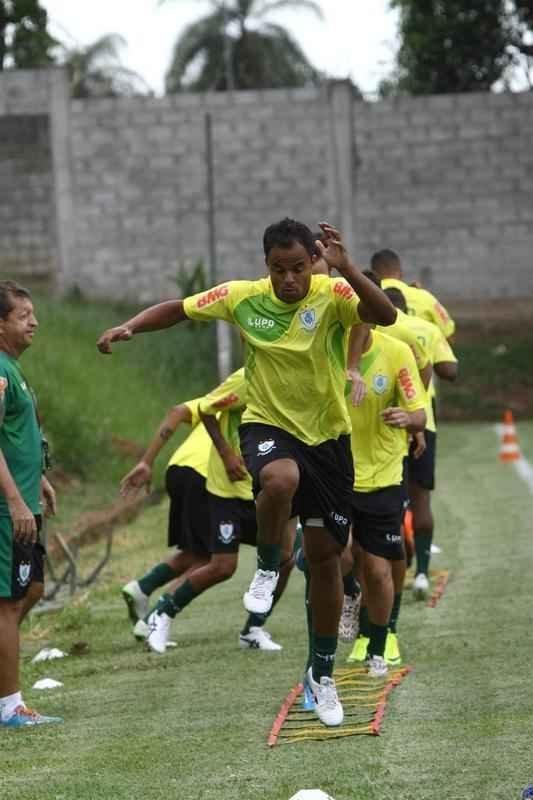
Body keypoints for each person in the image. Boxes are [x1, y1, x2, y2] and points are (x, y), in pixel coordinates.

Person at [97, 219, 396, 727]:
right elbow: (180, 308)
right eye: (279, 269)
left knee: (326, 560)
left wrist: (347, 265)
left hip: (328, 441)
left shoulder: (332, 292)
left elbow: (383, 314)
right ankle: (266, 564)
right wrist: (132, 326)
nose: (289, 280)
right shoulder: (243, 298)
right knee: (278, 480)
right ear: (266, 267)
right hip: (268, 426)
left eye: (298, 268)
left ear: (312, 264)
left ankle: (320, 675)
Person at [140, 368, 295, 654]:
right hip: (229, 488)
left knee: (285, 559)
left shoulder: (307, 376)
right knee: (223, 565)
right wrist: (225, 454)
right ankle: (163, 612)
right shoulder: (250, 377)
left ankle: (253, 629)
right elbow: (206, 409)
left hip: (271, 485)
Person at [345, 325, 426, 677]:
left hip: (383, 476)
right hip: (335, 473)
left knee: (378, 571)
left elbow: (419, 411)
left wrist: (409, 419)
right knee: (337, 555)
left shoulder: (396, 352)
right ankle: (349, 596)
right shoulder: (324, 346)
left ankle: (379, 644)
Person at [0, 281, 61, 728]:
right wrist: (17, 502)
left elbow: (16, 436)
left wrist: (38, 478)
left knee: (33, 589)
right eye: (23, 316)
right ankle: (10, 706)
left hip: (24, 499)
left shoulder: (13, 369)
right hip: (8, 508)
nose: (34, 322)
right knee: (7, 603)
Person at [381, 287, 458, 599]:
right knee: (421, 499)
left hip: (385, 425)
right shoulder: (424, 329)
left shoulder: (373, 332)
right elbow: (449, 370)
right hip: (422, 422)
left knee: (387, 502)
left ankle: (392, 565)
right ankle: (423, 572)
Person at [120, 395, 213, 631]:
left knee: (197, 552)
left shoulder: (236, 382)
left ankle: (142, 587)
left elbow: (176, 412)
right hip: (208, 474)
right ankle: (153, 622)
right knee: (215, 559)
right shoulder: (256, 384)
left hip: (179, 468)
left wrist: (147, 462)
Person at [370, 249, 455, 341]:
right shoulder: (424, 297)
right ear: (401, 272)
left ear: (373, 274)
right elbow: (449, 336)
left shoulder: (367, 299)